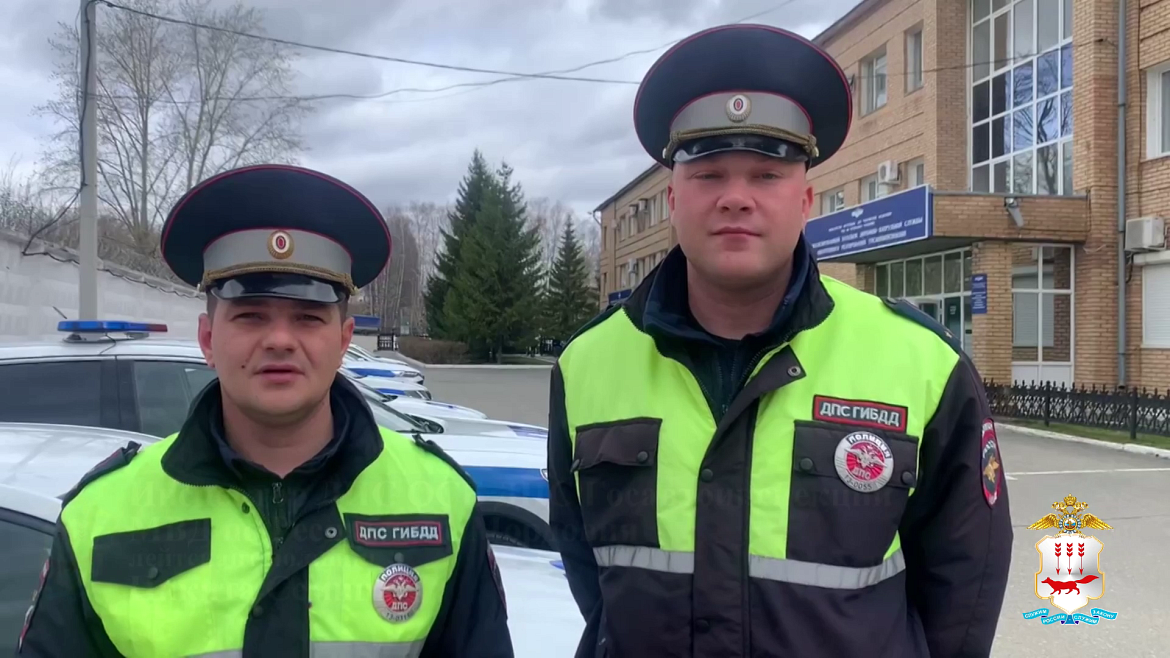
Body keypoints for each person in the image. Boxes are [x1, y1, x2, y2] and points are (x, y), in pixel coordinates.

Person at [547, 24, 1014, 658]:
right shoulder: (587, 363)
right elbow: (590, 569)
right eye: (709, 174)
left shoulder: (923, 362)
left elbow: (964, 586)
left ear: (805, 199)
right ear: (674, 199)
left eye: (766, 174)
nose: (736, 198)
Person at [17, 165, 514, 657]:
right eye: (251, 315)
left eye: (308, 317)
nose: (279, 339)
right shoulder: (98, 516)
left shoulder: (442, 501)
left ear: (344, 341)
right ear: (208, 339)